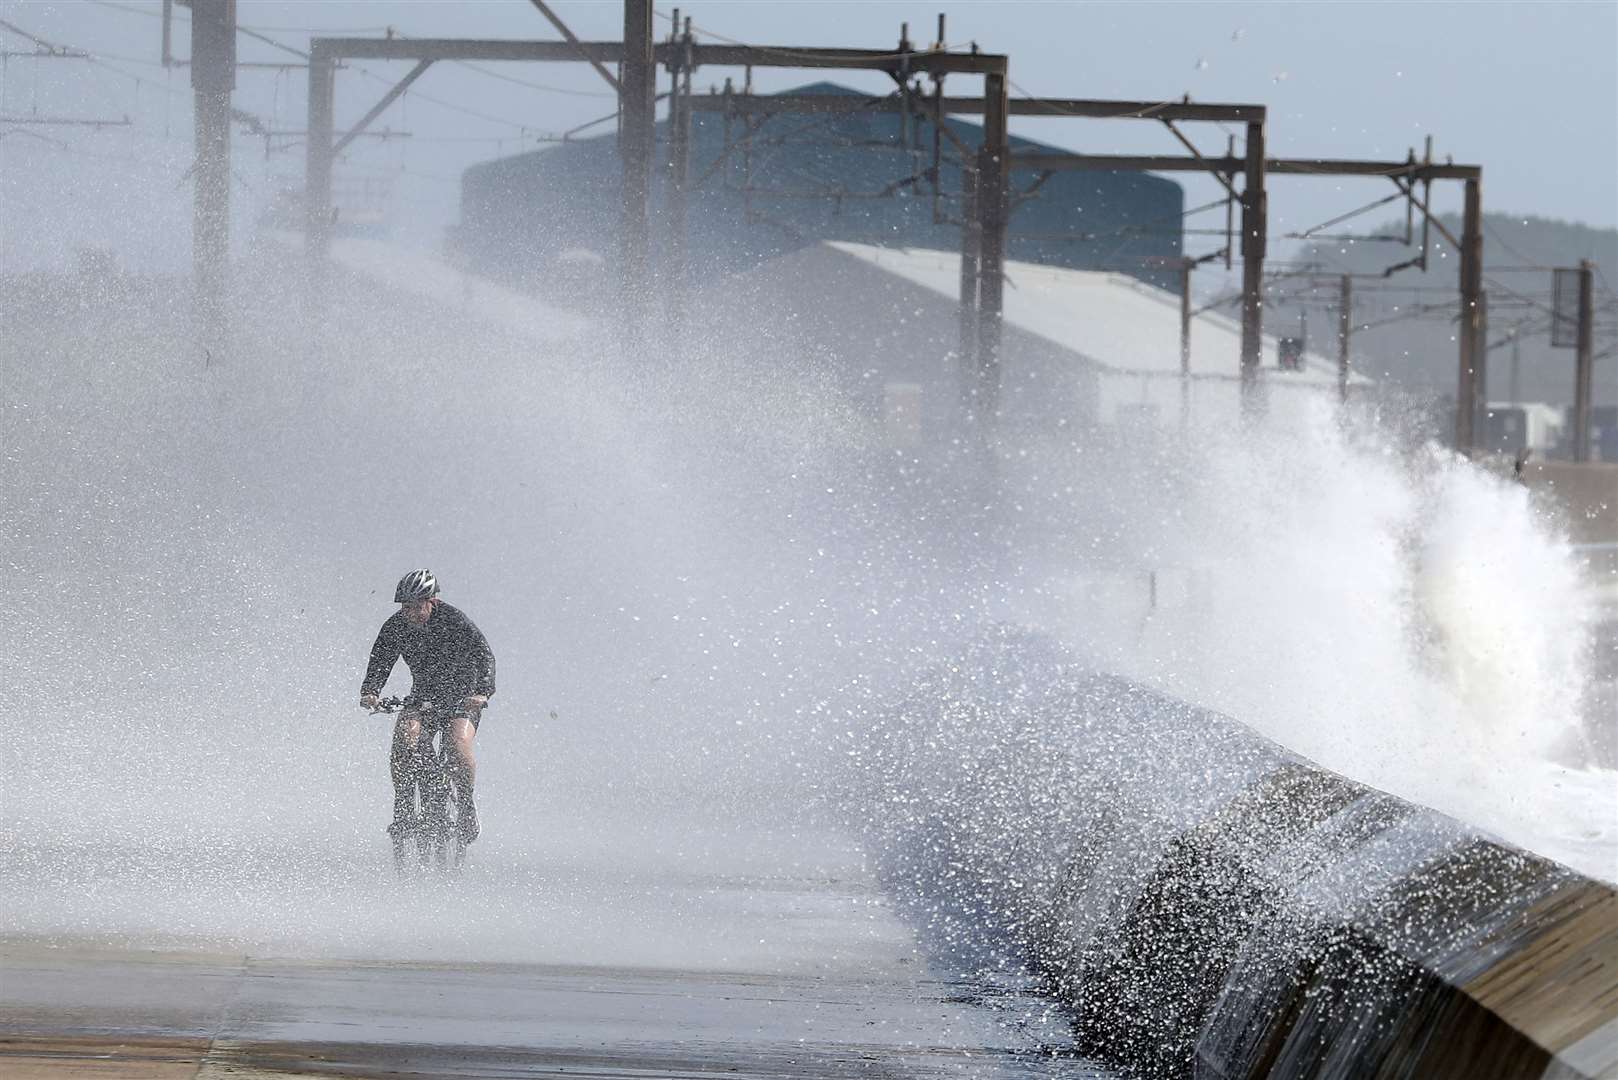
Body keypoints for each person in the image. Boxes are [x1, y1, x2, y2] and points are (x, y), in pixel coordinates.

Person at [360, 569, 496, 844]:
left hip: (463, 696)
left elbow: (484, 655)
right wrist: (371, 692)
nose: (409, 612)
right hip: (423, 695)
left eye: (415, 606)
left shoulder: (454, 621)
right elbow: (381, 660)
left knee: (458, 745)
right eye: (405, 606)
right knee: (404, 740)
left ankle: (467, 808)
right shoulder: (395, 626)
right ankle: (403, 809)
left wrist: (483, 692)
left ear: (432, 601)